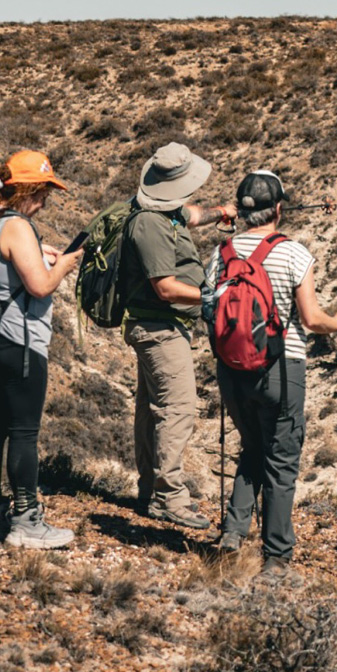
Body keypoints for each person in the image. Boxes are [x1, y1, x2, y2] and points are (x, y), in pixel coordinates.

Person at [204, 170, 337, 582]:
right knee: (282, 460)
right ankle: (276, 557)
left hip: (230, 370)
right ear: (280, 208)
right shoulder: (293, 254)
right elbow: (311, 319)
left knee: (251, 448)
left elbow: (207, 312)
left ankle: (233, 534)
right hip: (280, 369)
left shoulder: (221, 254)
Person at [0, 150, 83, 548]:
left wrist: (43, 256)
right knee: (24, 432)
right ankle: (27, 522)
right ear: (28, 190)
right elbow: (40, 286)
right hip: (22, 340)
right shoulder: (17, 226)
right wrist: (66, 263)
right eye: (44, 190)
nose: (46, 200)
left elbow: (7, 268)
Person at [122, 142, 237, 530]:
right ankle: (170, 496)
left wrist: (220, 212)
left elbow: (190, 215)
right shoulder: (150, 225)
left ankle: (149, 491)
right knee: (179, 408)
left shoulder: (163, 211)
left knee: (151, 409)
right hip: (159, 328)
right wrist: (214, 296)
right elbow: (166, 288)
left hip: (160, 327)